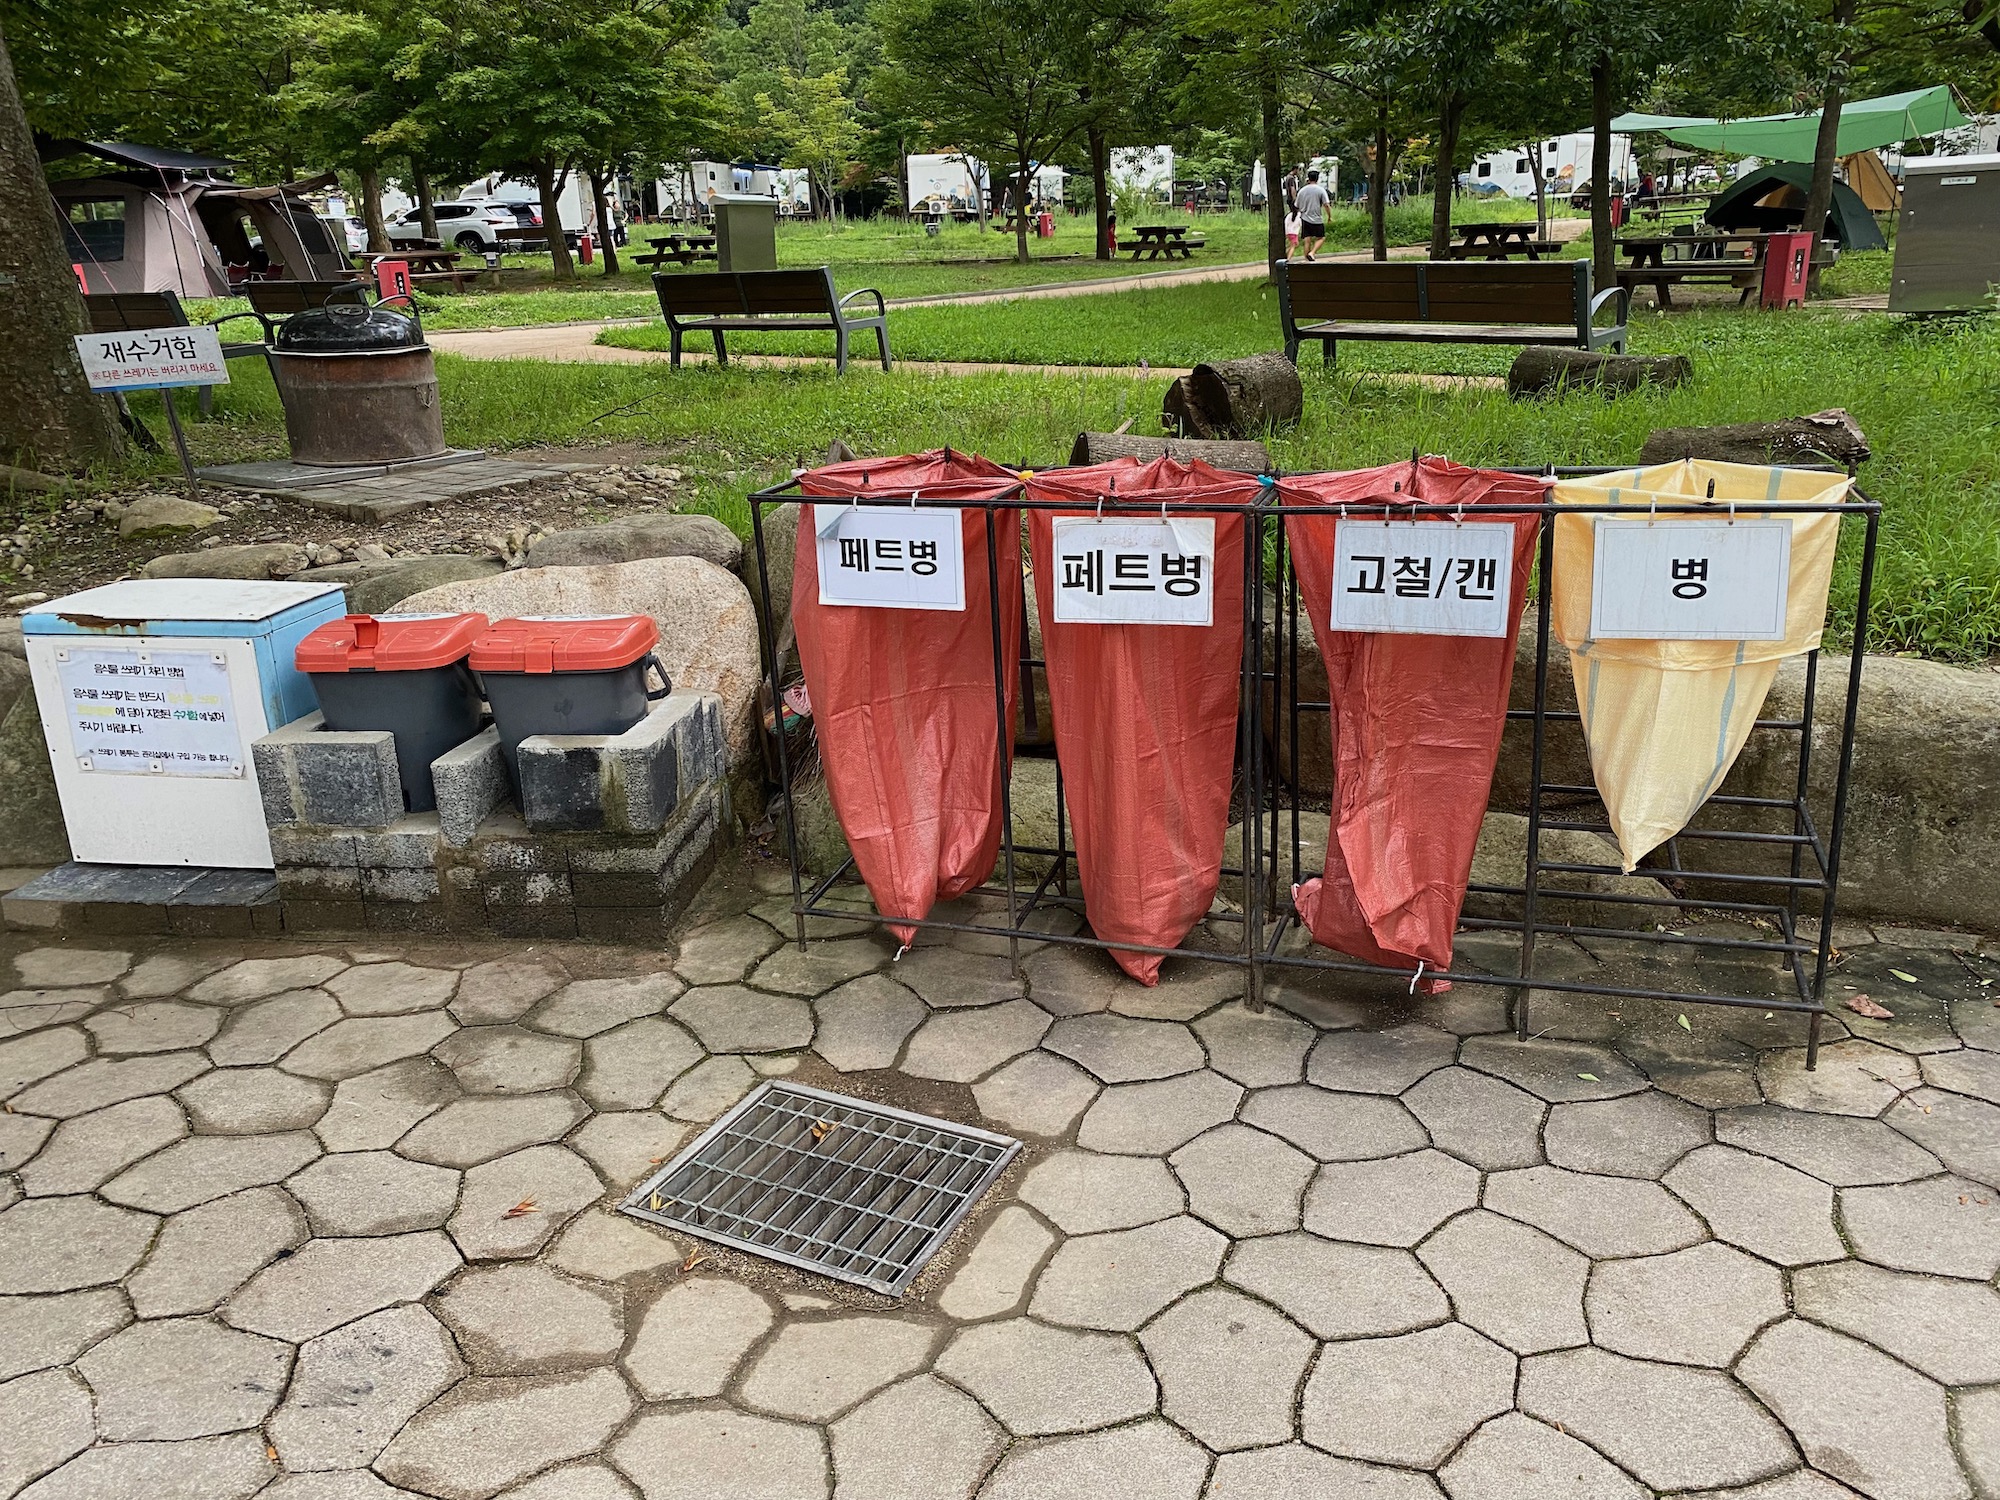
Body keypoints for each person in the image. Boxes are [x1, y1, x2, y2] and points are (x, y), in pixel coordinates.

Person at [1294, 169, 1330, 261]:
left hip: (1305, 218)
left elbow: (1296, 205)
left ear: (1308, 179)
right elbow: (1326, 204)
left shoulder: (1302, 191)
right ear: (1317, 179)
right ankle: (1312, 253)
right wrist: (1329, 216)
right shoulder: (1321, 190)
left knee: (1307, 239)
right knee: (1321, 238)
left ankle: (1307, 260)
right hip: (1317, 218)